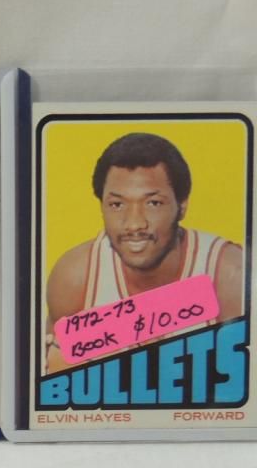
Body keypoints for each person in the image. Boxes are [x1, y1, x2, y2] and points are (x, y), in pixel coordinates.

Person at [44, 132, 243, 373]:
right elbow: (53, 384)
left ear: (182, 206)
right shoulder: (75, 279)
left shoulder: (228, 274)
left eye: (153, 203)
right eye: (117, 205)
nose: (135, 224)